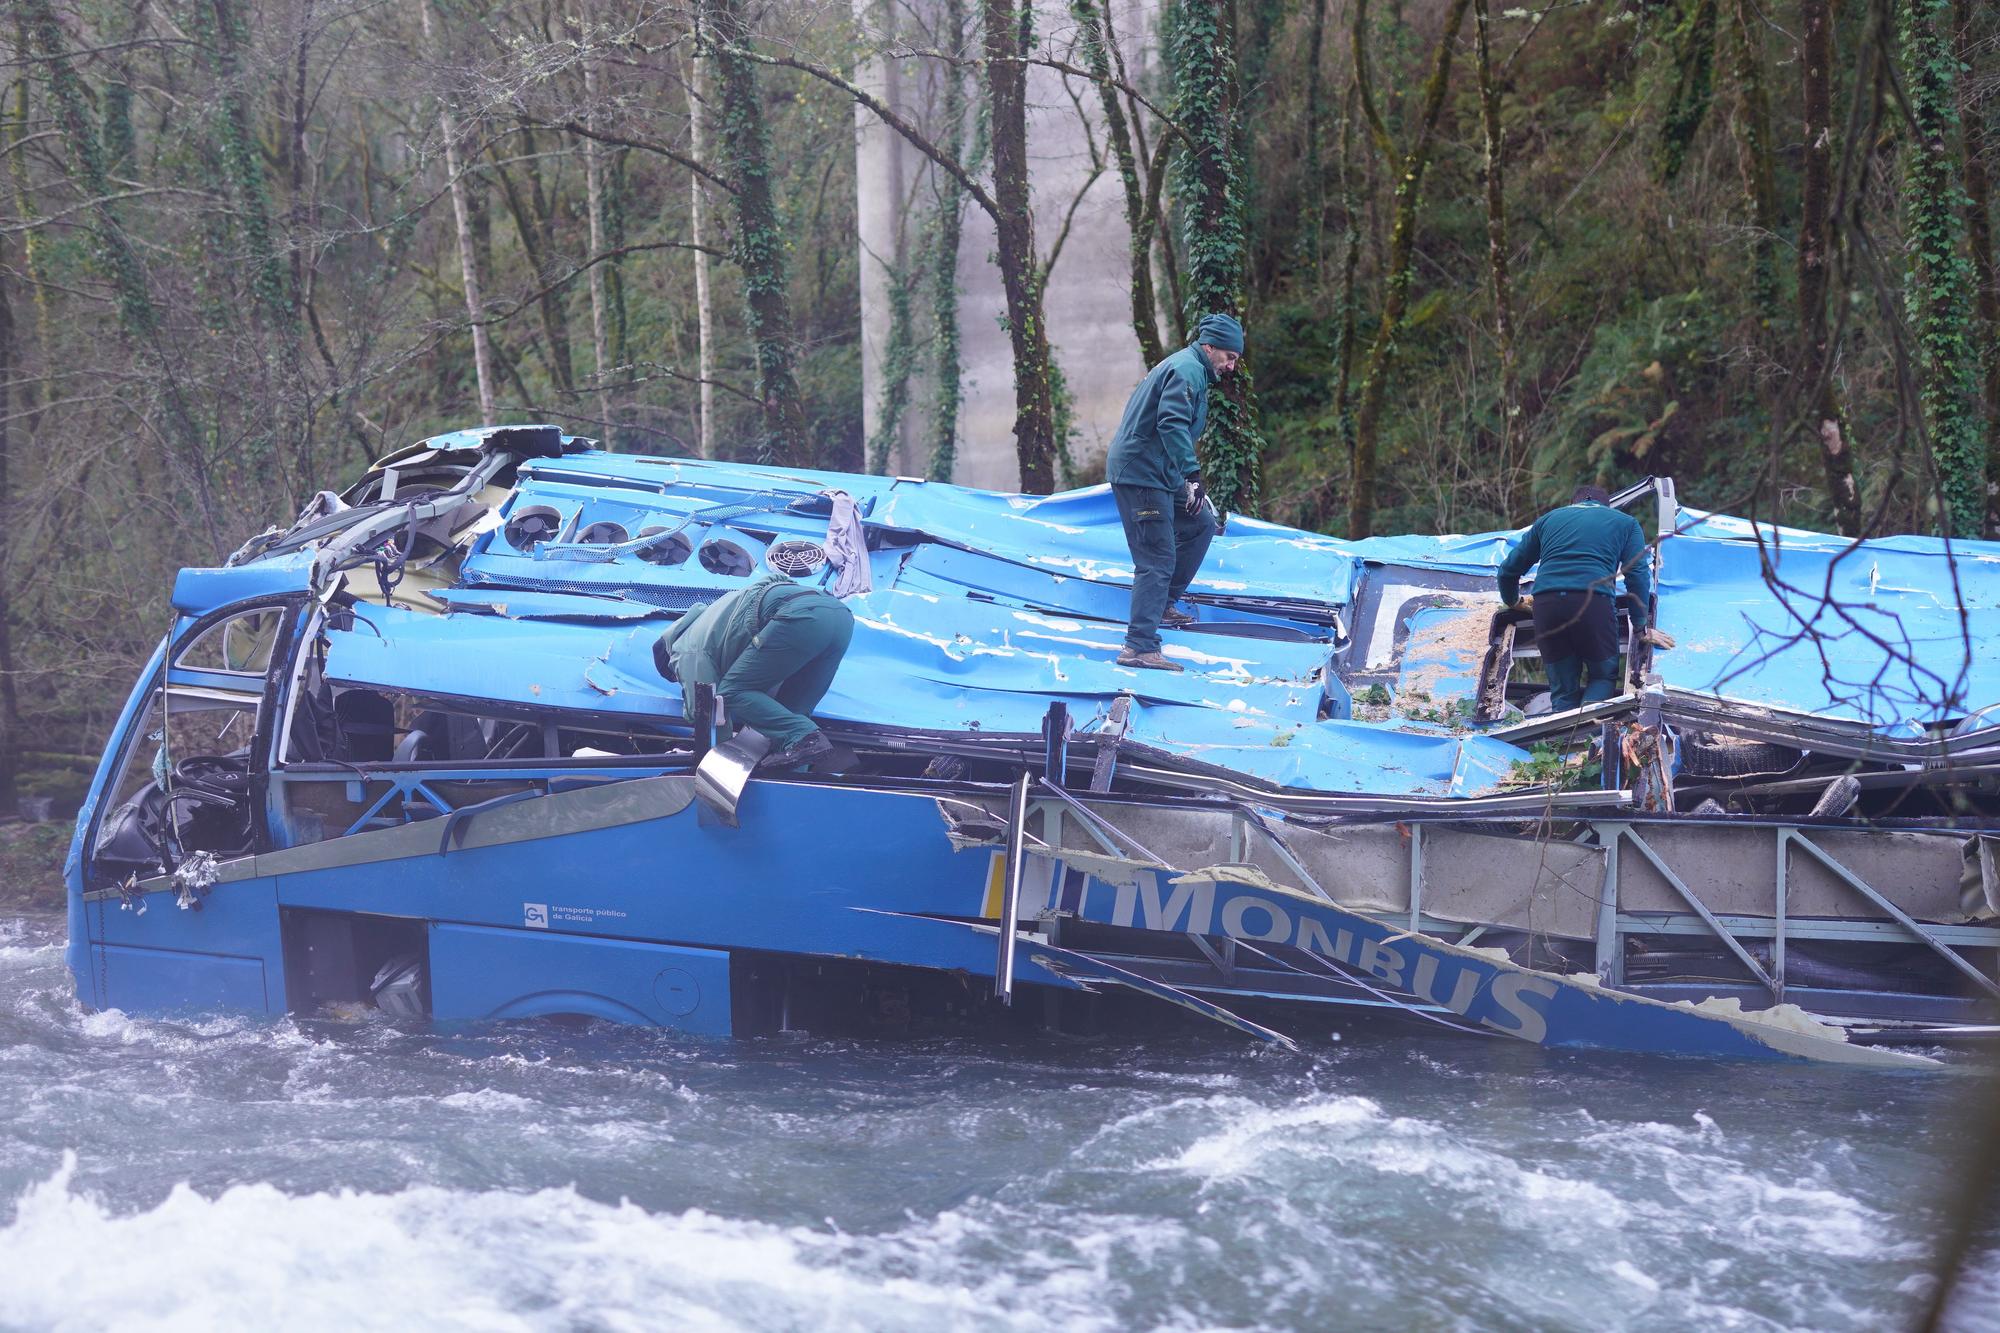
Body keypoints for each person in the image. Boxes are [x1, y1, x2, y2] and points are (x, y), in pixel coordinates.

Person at [1104, 313, 1244, 671]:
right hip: (1142, 474)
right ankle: (1138, 647)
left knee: (1202, 524)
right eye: (1229, 357)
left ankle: (1161, 603)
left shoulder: (1193, 369)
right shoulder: (1186, 370)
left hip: (1160, 471)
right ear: (1209, 346)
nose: (1231, 366)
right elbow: (1171, 422)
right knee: (1156, 558)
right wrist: (1192, 474)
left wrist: (1184, 479)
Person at [1496, 484, 1674, 713]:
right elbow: (1637, 574)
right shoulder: (1626, 523)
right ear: (1606, 505)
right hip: (1593, 602)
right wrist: (1641, 626)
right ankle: (1587, 739)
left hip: (1546, 604)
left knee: (1563, 688)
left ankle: (1559, 741)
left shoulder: (1548, 520)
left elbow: (1508, 570)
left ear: (1573, 504)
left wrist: (1513, 601)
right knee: (1602, 677)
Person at [653, 571, 854, 768]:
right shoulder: (715, 615)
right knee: (792, 712)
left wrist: (716, 761)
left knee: (733, 692)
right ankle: (797, 770)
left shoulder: (684, 650)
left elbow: (712, 710)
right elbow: (778, 579)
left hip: (801, 617)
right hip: (839, 616)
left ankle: (806, 738)